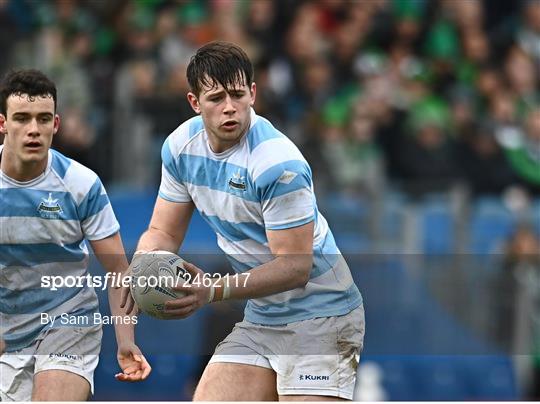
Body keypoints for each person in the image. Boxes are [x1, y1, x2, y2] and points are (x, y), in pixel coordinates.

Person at [130, 41, 365, 400]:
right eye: (216, 98)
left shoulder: (277, 164)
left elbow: (294, 267)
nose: (229, 108)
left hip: (323, 317)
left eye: (237, 95)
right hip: (264, 317)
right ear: (195, 103)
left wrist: (213, 289)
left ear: (253, 94)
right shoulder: (180, 147)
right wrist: (142, 267)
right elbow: (162, 231)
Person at [0, 69, 151, 401]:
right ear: (3, 124)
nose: (33, 130)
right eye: (22, 119)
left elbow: (118, 272)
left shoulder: (82, 185)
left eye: (43, 119)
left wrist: (126, 341)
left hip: (69, 320)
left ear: (56, 125)